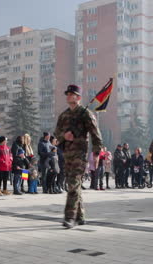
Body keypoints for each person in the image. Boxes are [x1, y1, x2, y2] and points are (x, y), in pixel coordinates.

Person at [54, 84, 103, 228]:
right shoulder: (64, 115)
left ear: (79, 97)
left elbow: (96, 133)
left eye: (72, 94)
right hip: (67, 154)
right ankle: (80, 216)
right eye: (67, 94)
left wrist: (96, 153)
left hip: (80, 155)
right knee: (75, 185)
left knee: (73, 184)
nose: (68, 96)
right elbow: (56, 133)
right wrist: (64, 136)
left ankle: (70, 217)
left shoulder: (86, 113)